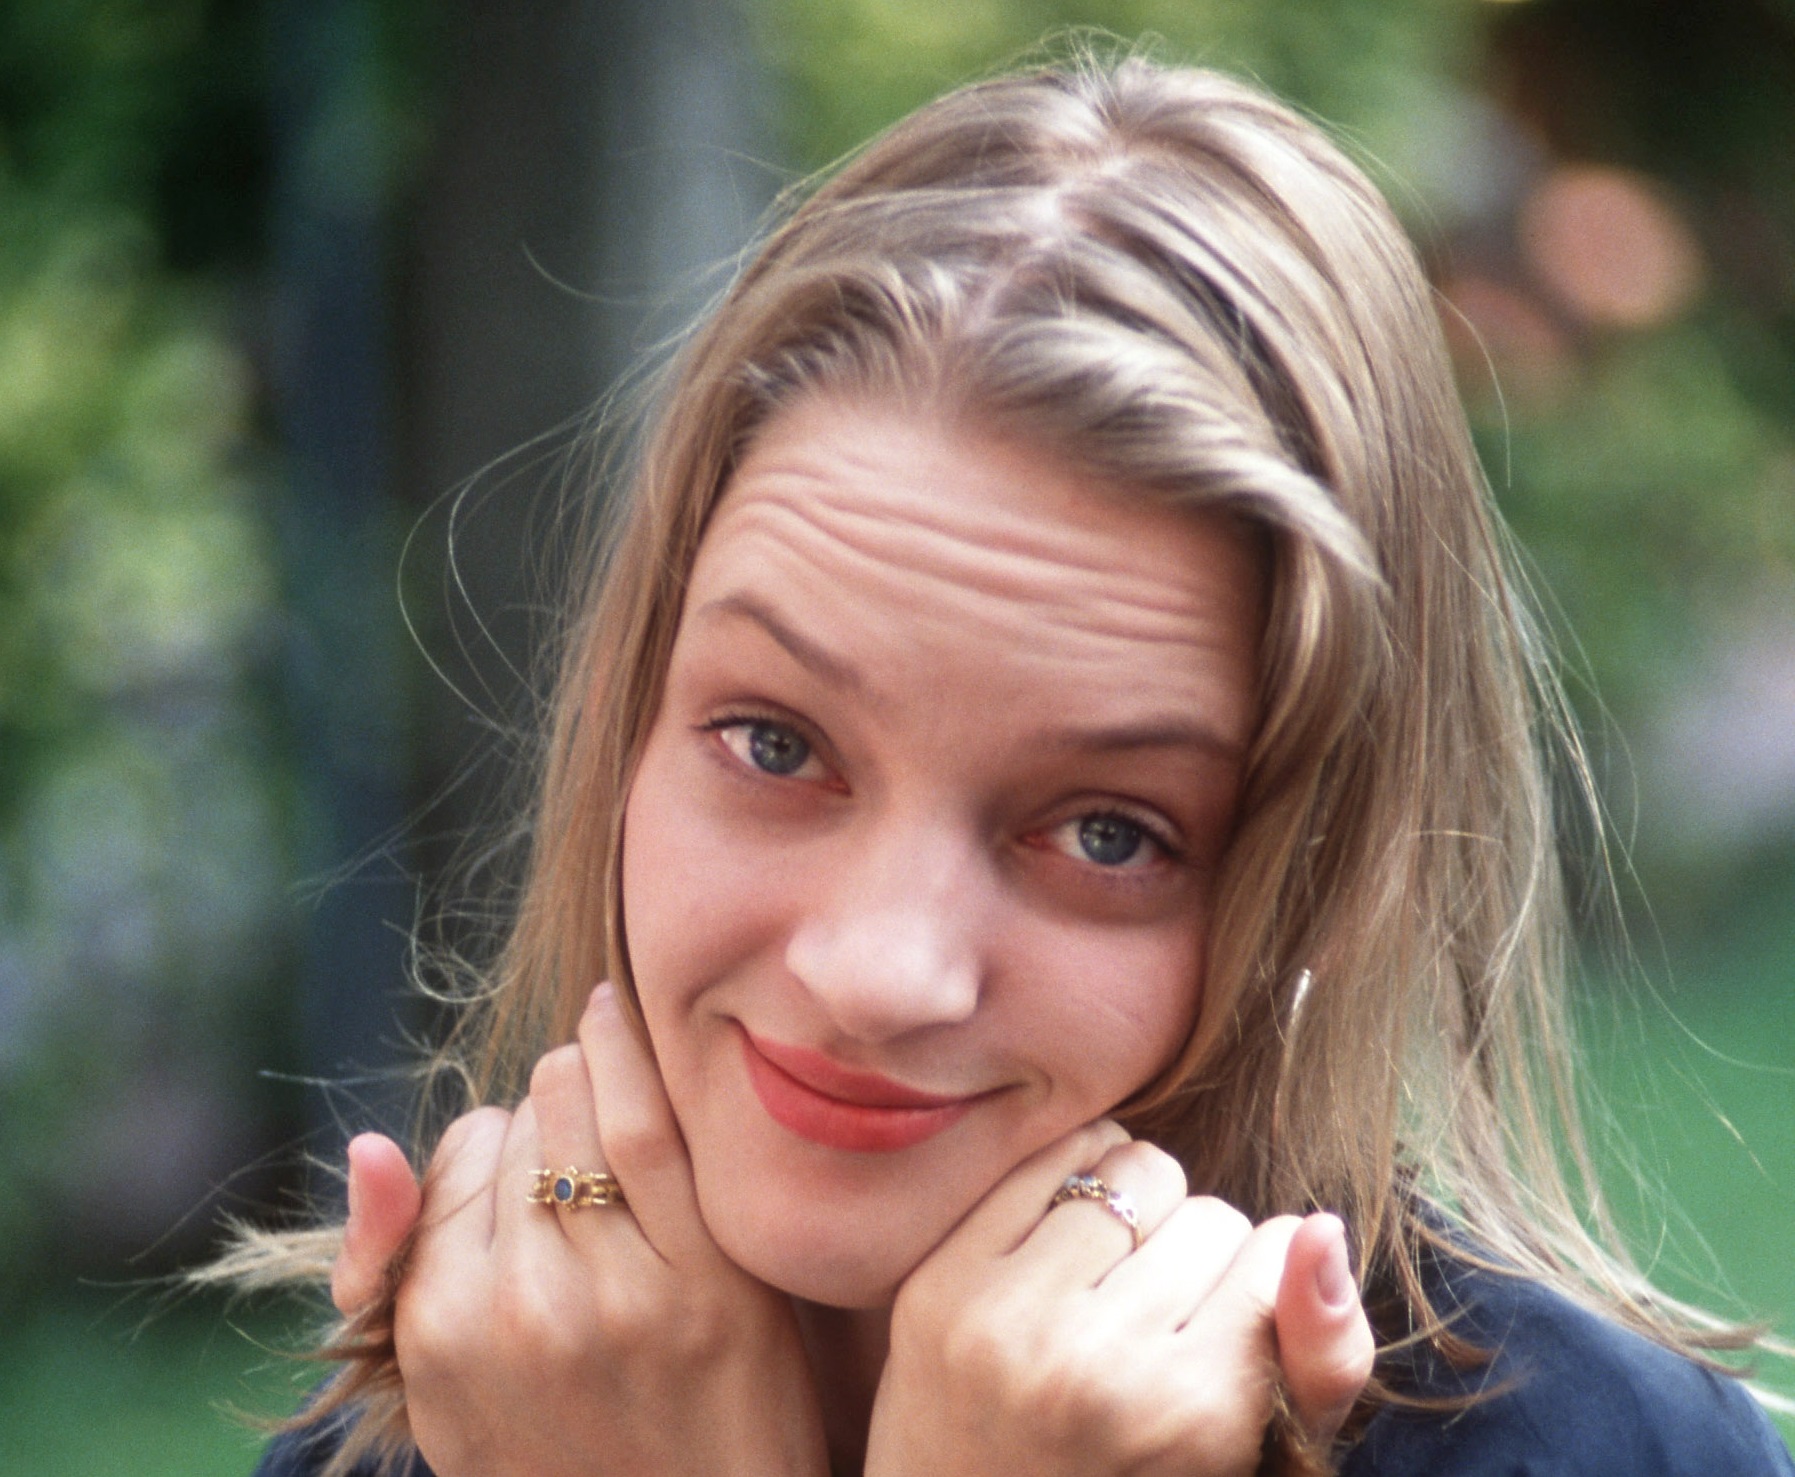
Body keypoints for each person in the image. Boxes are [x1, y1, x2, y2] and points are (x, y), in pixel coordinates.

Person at [226, 48, 1794, 1477]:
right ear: (631, 721)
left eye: (1108, 832)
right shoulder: (438, 1432)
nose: (876, 972)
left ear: (1316, 871)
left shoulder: (1600, 1457)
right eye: (774, 743)